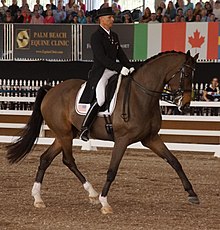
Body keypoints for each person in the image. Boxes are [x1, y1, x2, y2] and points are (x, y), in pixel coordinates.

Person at [79, 7, 134, 141]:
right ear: (101, 20)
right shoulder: (96, 36)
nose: (112, 20)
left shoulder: (114, 36)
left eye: (112, 17)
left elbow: (120, 54)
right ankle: (85, 128)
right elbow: (101, 58)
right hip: (101, 72)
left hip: (114, 70)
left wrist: (130, 66)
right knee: (101, 98)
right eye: (109, 17)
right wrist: (120, 68)